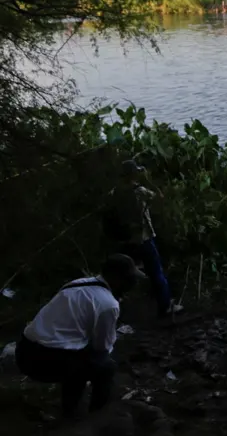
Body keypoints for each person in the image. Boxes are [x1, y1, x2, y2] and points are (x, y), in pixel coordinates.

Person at [16, 254, 146, 417]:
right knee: (105, 367)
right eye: (129, 279)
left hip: (24, 350)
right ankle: (97, 417)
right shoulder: (108, 304)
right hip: (44, 362)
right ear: (116, 279)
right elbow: (102, 347)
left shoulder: (78, 283)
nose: (132, 283)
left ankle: (70, 409)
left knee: (79, 359)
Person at [106, 160, 179, 317]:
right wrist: (147, 180)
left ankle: (113, 306)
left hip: (124, 239)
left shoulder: (116, 192)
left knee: (120, 273)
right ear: (134, 174)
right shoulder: (140, 191)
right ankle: (165, 306)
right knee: (156, 272)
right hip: (143, 239)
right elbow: (160, 198)